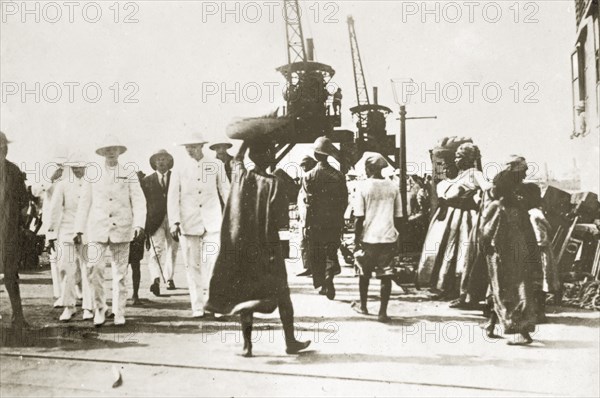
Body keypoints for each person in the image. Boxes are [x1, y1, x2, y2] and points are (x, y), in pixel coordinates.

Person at [205, 140, 310, 357]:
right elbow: (281, 219)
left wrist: (247, 139)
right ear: (270, 158)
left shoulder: (240, 176)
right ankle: (290, 341)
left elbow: (236, 160)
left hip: (244, 247)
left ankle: (247, 346)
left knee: (246, 296)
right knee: (283, 294)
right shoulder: (275, 183)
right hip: (268, 246)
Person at [74, 135, 146, 326]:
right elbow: (84, 203)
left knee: (120, 274)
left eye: (114, 149)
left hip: (122, 228)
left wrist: (139, 224)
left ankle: (119, 311)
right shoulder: (93, 174)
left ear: (119, 151)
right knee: (94, 270)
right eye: (107, 149)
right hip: (97, 228)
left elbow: (138, 200)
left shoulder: (129, 172)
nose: (111, 152)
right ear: (102, 152)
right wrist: (79, 228)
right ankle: (99, 309)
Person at [417, 143, 491, 300]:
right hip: (450, 217)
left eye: (459, 157)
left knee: (460, 252)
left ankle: (461, 290)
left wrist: (473, 196)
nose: (456, 160)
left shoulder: (474, 174)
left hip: (464, 217)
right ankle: (445, 287)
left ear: (467, 159)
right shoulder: (459, 175)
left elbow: (488, 190)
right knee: (447, 251)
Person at [480, 156, 541, 345]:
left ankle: (521, 332)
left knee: (509, 287)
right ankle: (491, 323)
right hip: (515, 249)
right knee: (499, 286)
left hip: (506, 251)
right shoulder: (520, 200)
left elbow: (488, 233)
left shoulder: (501, 207)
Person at [168, 133, 230, 318]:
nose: (190, 150)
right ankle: (197, 306)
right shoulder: (179, 168)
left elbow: (225, 190)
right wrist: (174, 222)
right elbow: (173, 196)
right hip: (188, 222)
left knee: (214, 263)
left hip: (213, 221)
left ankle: (215, 304)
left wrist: (231, 216)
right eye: (187, 146)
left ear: (202, 146)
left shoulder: (216, 165)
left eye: (194, 146)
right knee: (191, 265)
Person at [351, 154, 403, 322]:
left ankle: (364, 305)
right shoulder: (393, 186)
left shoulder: (363, 186)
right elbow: (399, 216)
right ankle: (382, 312)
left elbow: (358, 217)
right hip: (388, 237)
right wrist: (398, 238)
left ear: (369, 169)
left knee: (363, 274)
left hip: (368, 238)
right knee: (386, 275)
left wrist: (356, 239)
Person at [46, 152, 93, 321]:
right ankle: (68, 306)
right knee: (67, 269)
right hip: (66, 231)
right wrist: (51, 234)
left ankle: (89, 307)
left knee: (88, 270)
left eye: (81, 167)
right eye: (74, 167)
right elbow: (55, 210)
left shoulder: (93, 184)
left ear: (86, 167)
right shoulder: (63, 185)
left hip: (88, 231)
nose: (78, 170)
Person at [303, 137, 348, 300]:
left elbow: (308, 203)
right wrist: (339, 217)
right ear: (328, 154)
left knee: (317, 252)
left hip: (315, 222)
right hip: (334, 221)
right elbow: (344, 200)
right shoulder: (338, 175)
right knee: (331, 250)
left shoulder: (309, 176)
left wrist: (307, 224)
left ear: (316, 155)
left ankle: (322, 283)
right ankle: (330, 275)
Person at [0, 131, 29, 328]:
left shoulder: (14, 171)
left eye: (3, 146)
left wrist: (20, 225)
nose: (2, 149)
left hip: (9, 233)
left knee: (11, 274)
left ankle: (17, 316)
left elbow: (24, 203)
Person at [142, 150, 179, 297]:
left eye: (164, 159)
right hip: (155, 221)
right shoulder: (147, 180)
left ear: (169, 162)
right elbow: (143, 203)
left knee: (173, 249)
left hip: (173, 219)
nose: (162, 162)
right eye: (158, 160)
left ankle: (169, 278)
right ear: (154, 163)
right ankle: (155, 279)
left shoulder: (176, 177)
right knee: (156, 250)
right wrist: (145, 223)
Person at [32, 157, 65, 306]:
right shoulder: (48, 178)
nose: (61, 167)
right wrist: (51, 178)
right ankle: (59, 293)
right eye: (59, 164)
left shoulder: (72, 178)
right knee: (55, 258)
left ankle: (75, 292)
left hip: (67, 222)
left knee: (71, 258)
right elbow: (36, 191)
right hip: (52, 223)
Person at [296, 155, 317, 277]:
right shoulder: (306, 177)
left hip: (309, 217)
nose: (303, 168)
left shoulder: (310, 177)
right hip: (304, 216)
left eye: (304, 165)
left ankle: (310, 267)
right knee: (304, 243)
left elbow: (308, 200)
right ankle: (308, 266)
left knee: (306, 242)